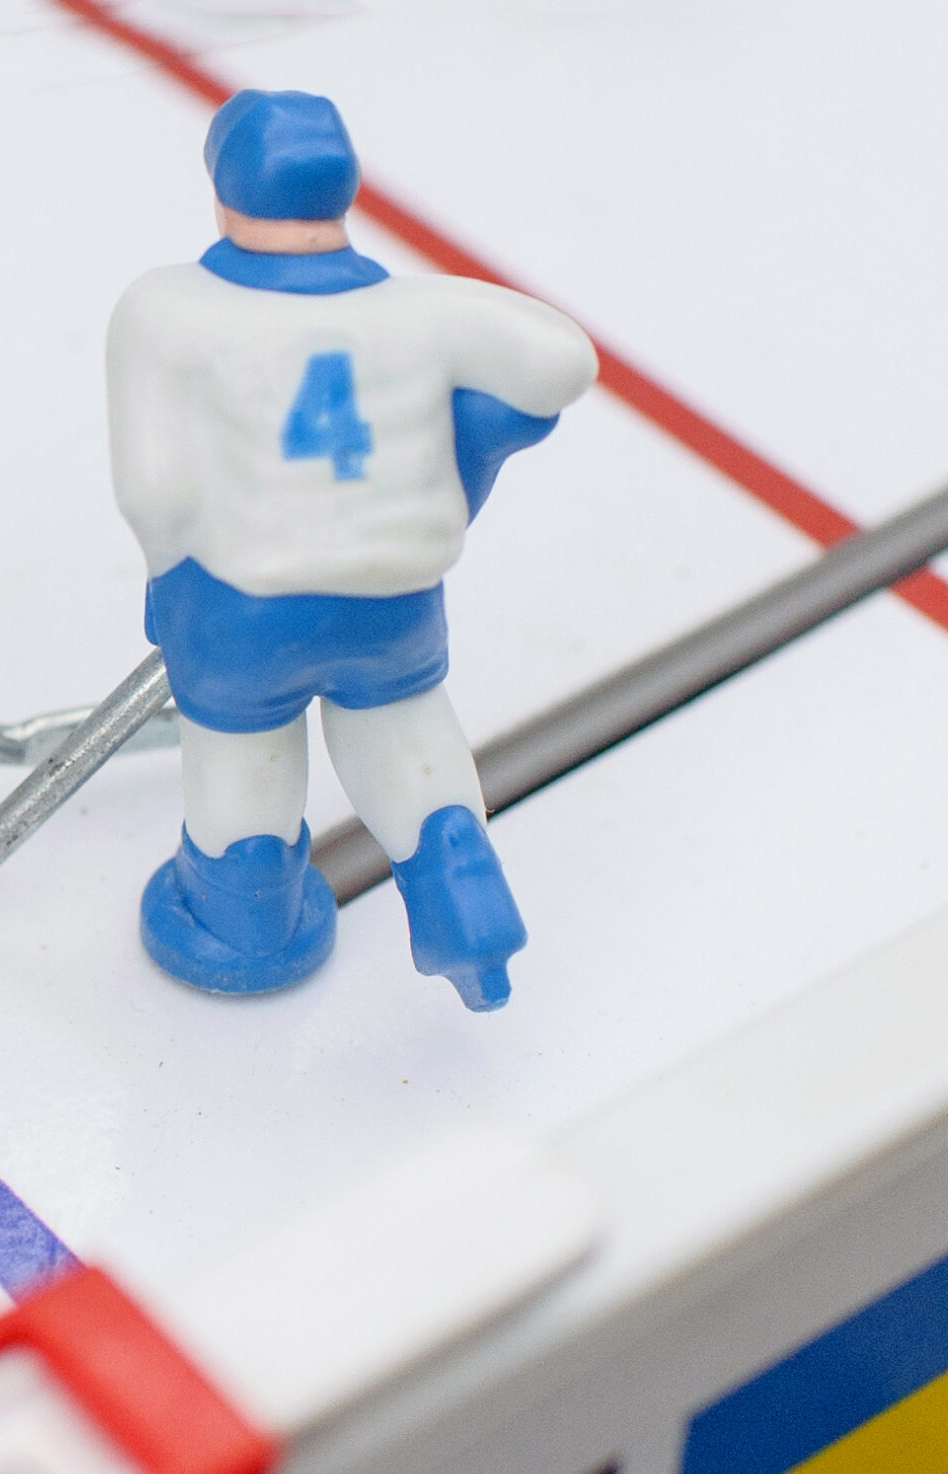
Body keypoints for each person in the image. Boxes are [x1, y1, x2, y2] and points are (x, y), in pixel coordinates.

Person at [107, 91, 597, 1008]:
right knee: (404, 731)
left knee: (241, 763)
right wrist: (468, 451)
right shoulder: (419, 311)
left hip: (242, 602)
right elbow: (561, 362)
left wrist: (166, 579)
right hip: (395, 600)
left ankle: (240, 916)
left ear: (225, 195)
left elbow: (156, 489)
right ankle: (451, 855)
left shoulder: (167, 308)